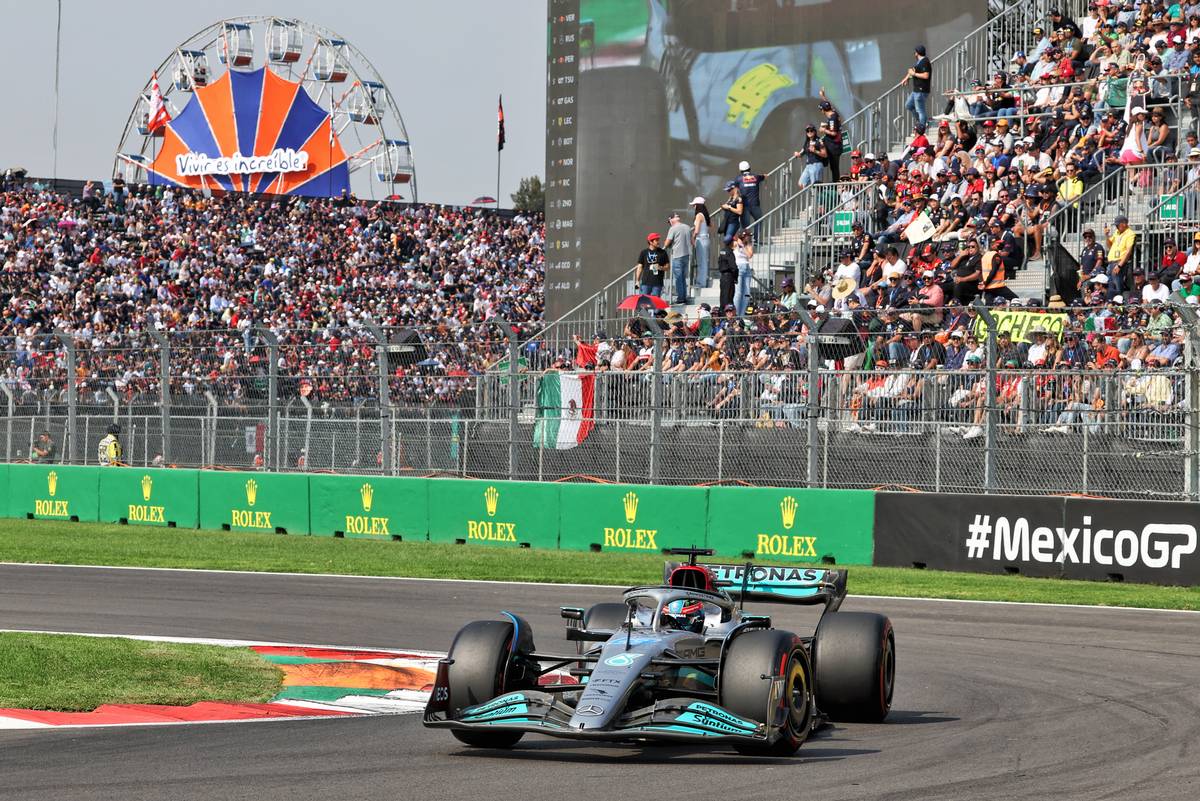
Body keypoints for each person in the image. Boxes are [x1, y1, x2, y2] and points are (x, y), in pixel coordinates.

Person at [664, 212, 693, 305]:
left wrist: (665, 246)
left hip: (677, 255)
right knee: (683, 278)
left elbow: (667, 243)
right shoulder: (688, 227)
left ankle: (681, 298)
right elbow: (692, 241)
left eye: (669, 221)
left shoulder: (673, 228)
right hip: (687, 255)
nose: (670, 223)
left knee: (678, 278)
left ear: (672, 219)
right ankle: (683, 296)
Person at [734, 160, 766, 241]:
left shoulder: (738, 179)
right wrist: (765, 176)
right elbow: (764, 176)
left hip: (744, 206)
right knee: (759, 221)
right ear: (749, 168)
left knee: (745, 226)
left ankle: (746, 243)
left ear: (740, 170)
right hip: (755, 204)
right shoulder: (756, 176)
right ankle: (756, 240)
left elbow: (736, 191)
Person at [817, 87, 844, 183]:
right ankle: (823, 161)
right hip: (832, 144)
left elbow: (834, 133)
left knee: (834, 167)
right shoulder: (833, 112)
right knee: (819, 146)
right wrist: (823, 96)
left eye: (821, 110)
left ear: (823, 110)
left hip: (834, 146)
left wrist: (824, 129)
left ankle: (835, 185)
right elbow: (829, 105)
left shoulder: (832, 118)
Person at [905, 45, 932, 128]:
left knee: (920, 110)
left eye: (915, 52)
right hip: (916, 90)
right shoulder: (919, 62)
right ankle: (922, 121)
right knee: (908, 105)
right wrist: (906, 79)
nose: (914, 53)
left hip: (921, 90)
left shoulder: (925, 62)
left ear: (917, 53)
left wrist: (914, 74)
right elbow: (912, 71)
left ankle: (922, 127)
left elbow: (926, 75)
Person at [635, 233, 669, 297]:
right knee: (644, 304)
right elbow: (640, 267)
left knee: (655, 304)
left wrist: (660, 267)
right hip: (645, 283)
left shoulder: (663, 252)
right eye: (656, 240)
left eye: (658, 240)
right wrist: (637, 281)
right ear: (650, 242)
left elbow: (667, 267)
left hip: (657, 283)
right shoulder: (644, 252)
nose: (658, 242)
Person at [690, 196, 712, 289]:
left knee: (701, 262)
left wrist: (693, 237)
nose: (693, 207)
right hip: (705, 238)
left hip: (701, 239)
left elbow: (697, 229)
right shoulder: (705, 215)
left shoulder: (699, 215)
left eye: (694, 205)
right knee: (704, 261)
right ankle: (703, 280)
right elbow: (711, 225)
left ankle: (701, 282)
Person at [732, 230, 755, 316]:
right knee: (738, 292)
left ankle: (741, 314)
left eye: (750, 236)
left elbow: (750, 255)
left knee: (746, 293)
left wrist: (743, 246)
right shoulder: (736, 243)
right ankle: (736, 314)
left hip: (746, 268)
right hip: (739, 267)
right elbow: (731, 236)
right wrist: (739, 242)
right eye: (747, 236)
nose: (749, 238)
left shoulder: (748, 245)